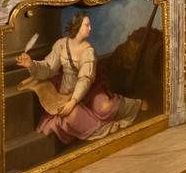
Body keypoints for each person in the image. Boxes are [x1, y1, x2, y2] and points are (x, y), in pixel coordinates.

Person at [17, 13, 143, 143]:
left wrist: (73, 102)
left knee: (105, 107)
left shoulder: (88, 51)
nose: (90, 28)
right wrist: (31, 64)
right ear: (77, 27)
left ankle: (133, 105)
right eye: (86, 25)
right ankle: (103, 128)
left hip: (89, 90)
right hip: (65, 92)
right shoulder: (61, 44)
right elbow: (48, 68)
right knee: (72, 115)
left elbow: (85, 79)